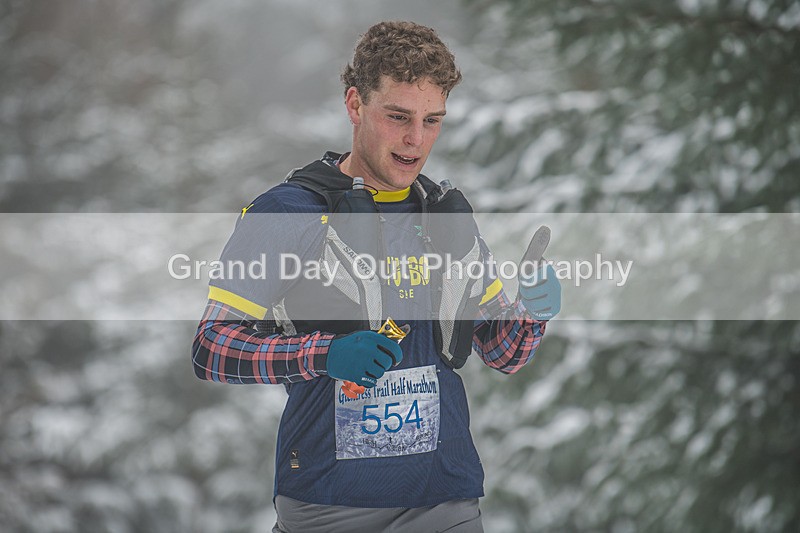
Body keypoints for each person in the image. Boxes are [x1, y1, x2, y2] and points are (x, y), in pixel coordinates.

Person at [191, 21, 561, 533]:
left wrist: (531, 311)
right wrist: (322, 354)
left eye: (433, 120)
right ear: (355, 105)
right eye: (398, 117)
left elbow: (503, 353)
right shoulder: (288, 213)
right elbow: (210, 349)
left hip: (445, 501)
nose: (416, 140)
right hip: (329, 505)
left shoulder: (444, 217)